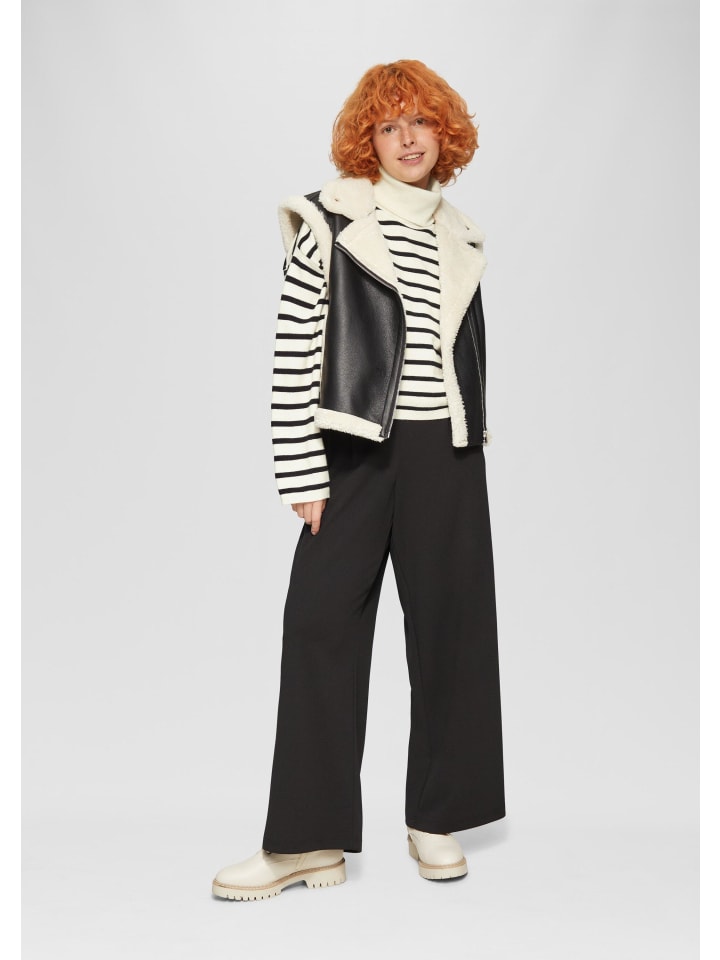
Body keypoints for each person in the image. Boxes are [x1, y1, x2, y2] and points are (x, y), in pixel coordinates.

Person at [212, 59, 505, 901]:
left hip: (448, 456)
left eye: (421, 122)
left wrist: (468, 439)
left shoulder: (462, 233)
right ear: (366, 140)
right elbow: (295, 346)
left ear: (445, 134)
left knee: (452, 634)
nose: (407, 138)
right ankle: (308, 842)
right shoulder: (331, 221)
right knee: (319, 628)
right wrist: (300, 468)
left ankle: (436, 818)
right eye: (388, 125)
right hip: (353, 452)